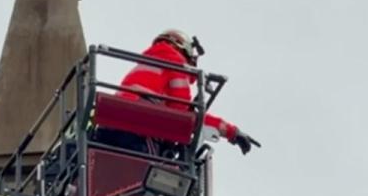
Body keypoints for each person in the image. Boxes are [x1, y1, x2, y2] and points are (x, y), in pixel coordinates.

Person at [99, 29, 260, 156]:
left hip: (107, 129)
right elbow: (182, 113)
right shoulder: (176, 65)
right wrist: (232, 132)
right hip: (140, 131)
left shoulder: (143, 66)